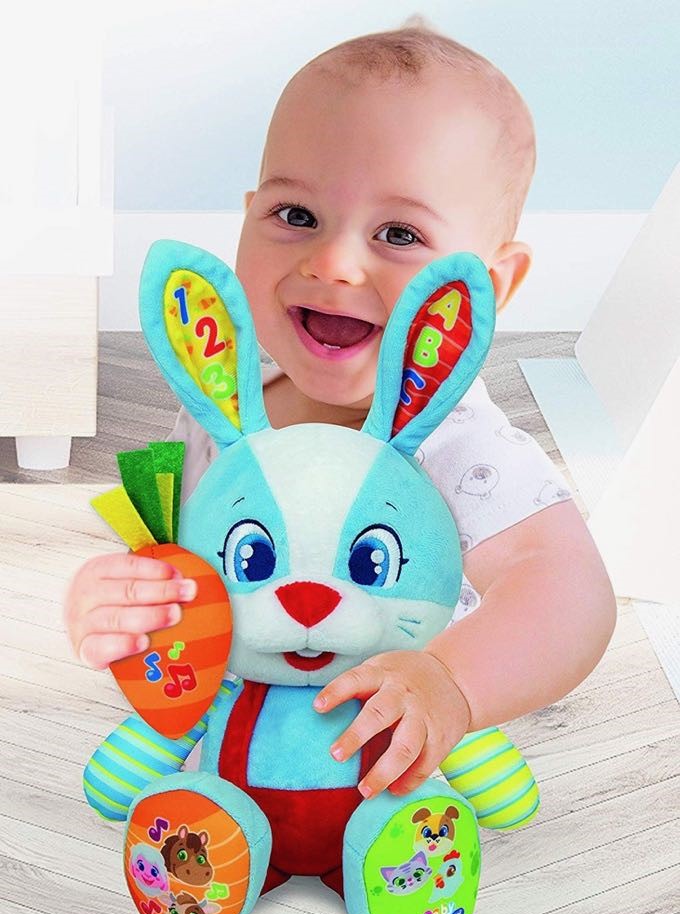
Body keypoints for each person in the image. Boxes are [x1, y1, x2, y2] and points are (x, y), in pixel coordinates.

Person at [64, 21, 617, 804]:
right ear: (247, 216)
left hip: (392, 759)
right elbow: (188, 560)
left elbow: (570, 591)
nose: (332, 263)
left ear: (485, 290)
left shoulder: (458, 442)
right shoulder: (228, 406)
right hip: (241, 734)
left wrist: (452, 684)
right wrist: (113, 599)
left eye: (399, 233)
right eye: (297, 215)